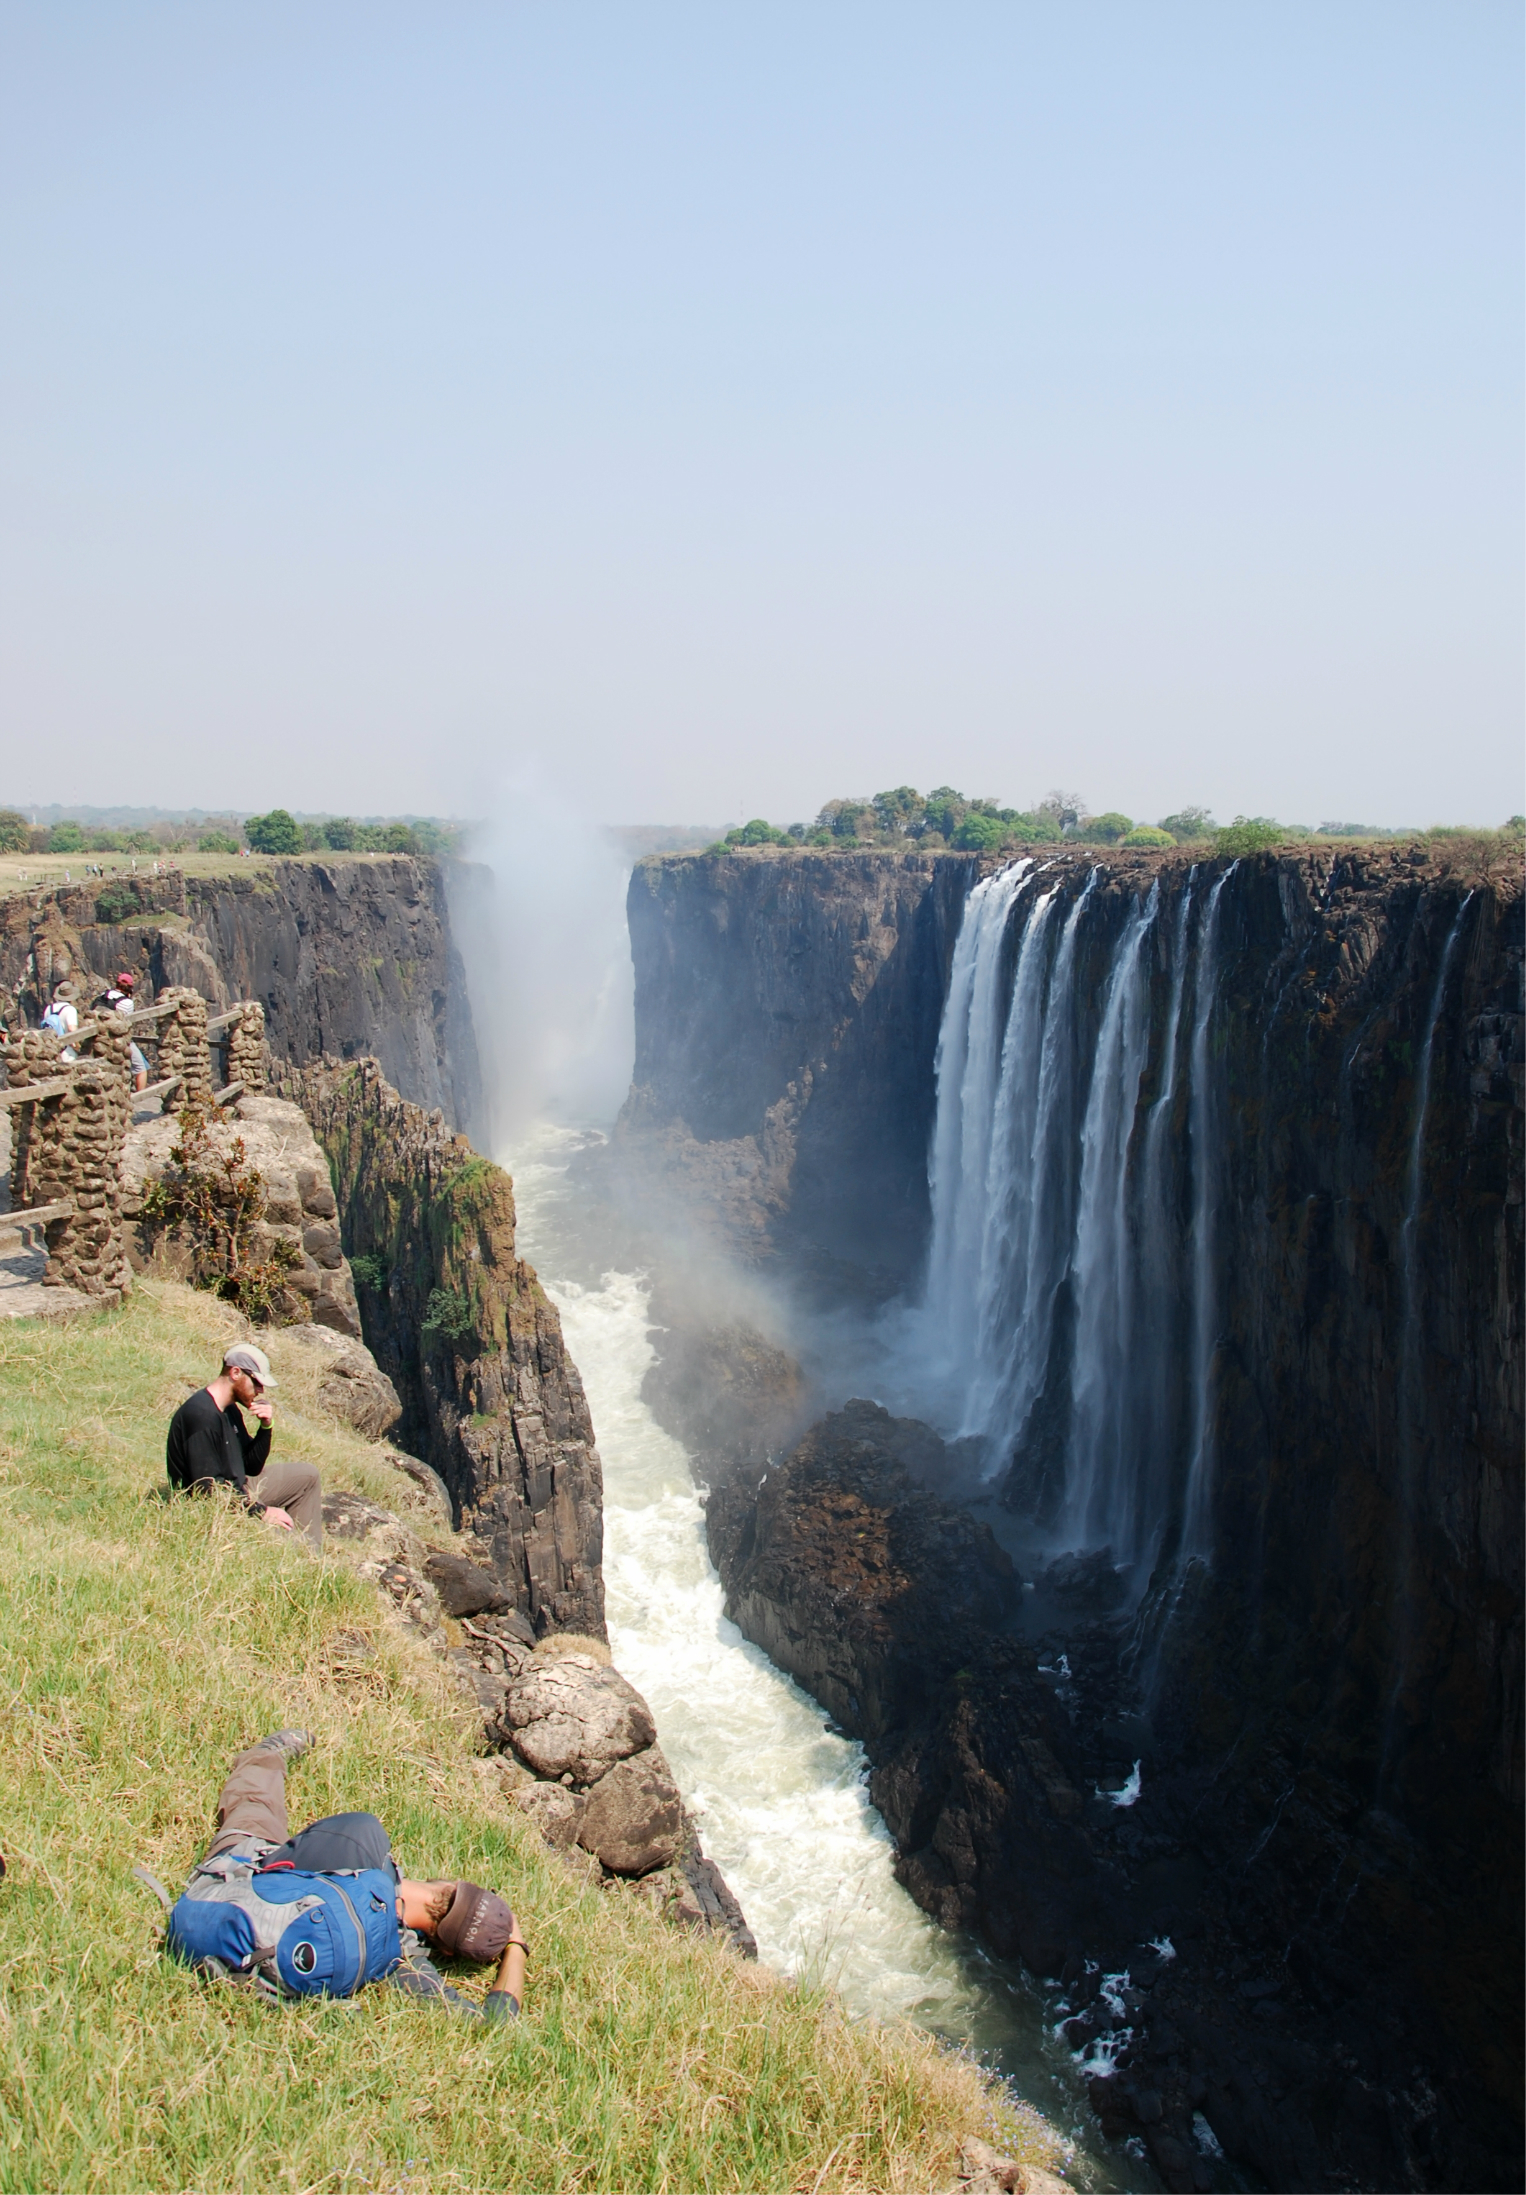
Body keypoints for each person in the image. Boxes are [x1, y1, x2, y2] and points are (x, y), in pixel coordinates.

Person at [168, 1729, 527, 2016]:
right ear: (445, 1951)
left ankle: (270, 1754)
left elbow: (284, 1860)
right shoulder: (401, 1962)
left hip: (230, 1884)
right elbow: (494, 2020)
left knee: (256, 1807)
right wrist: (516, 1947)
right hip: (244, 1957)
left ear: (452, 1883)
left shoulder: (365, 1839)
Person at [165, 1343, 323, 1550]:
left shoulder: (228, 1409)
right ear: (235, 1373)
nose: (260, 1390)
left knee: (308, 1476)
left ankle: (311, 1554)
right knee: (285, 1543)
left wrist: (266, 1427)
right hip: (216, 1507)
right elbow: (208, 1490)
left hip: (238, 1488)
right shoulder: (201, 1415)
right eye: (256, 1382)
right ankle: (301, 1555)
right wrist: (260, 1511)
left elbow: (251, 1466)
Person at [99, 970, 150, 1091]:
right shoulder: (126, 1002)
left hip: (99, 1037)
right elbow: (126, 1023)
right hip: (118, 1039)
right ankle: (140, 1098)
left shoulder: (103, 995)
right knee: (141, 1068)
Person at [40, 980, 80, 1060]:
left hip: (51, 1048)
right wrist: (77, 1045)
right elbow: (72, 1029)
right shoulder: (70, 1009)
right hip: (66, 1050)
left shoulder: (49, 1008)